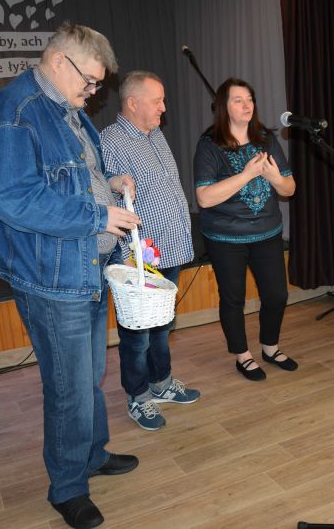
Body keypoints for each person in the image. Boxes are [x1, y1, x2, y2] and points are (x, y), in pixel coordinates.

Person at [0, 23, 141, 528]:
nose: (94, 92)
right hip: (52, 276)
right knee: (69, 387)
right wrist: (97, 216)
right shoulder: (14, 112)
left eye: (98, 84)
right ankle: (68, 487)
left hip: (85, 267)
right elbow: (10, 197)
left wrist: (108, 181)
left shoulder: (65, 106)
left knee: (89, 377)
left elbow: (73, 175)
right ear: (57, 62)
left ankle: (91, 454)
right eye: (90, 81)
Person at [100, 71, 200, 431]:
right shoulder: (111, 140)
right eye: (157, 100)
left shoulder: (155, 134)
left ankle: (161, 382)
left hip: (167, 248)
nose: (163, 107)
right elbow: (108, 196)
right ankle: (138, 396)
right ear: (132, 103)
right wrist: (126, 254)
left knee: (161, 324)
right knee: (137, 333)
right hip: (139, 255)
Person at [193, 77, 297, 381]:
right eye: (238, 100)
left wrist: (274, 178)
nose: (246, 105)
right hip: (226, 237)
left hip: (267, 232)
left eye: (249, 99)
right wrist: (247, 174)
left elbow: (289, 188)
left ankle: (270, 347)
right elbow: (204, 197)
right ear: (223, 107)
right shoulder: (209, 144)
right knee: (233, 298)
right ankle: (243, 355)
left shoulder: (266, 138)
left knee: (276, 295)